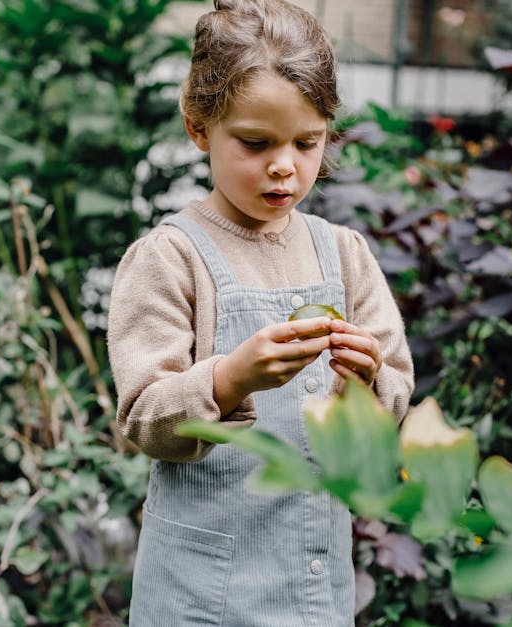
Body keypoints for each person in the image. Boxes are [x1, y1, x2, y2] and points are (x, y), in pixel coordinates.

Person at [107, 0, 414, 624]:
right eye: (256, 143)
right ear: (199, 127)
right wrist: (229, 379)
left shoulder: (344, 254)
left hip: (311, 576)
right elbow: (144, 416)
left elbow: (393, 395)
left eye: (308, 142)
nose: (285, 165)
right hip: (201, 590)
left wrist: (366, 384)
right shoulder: (171, 258)